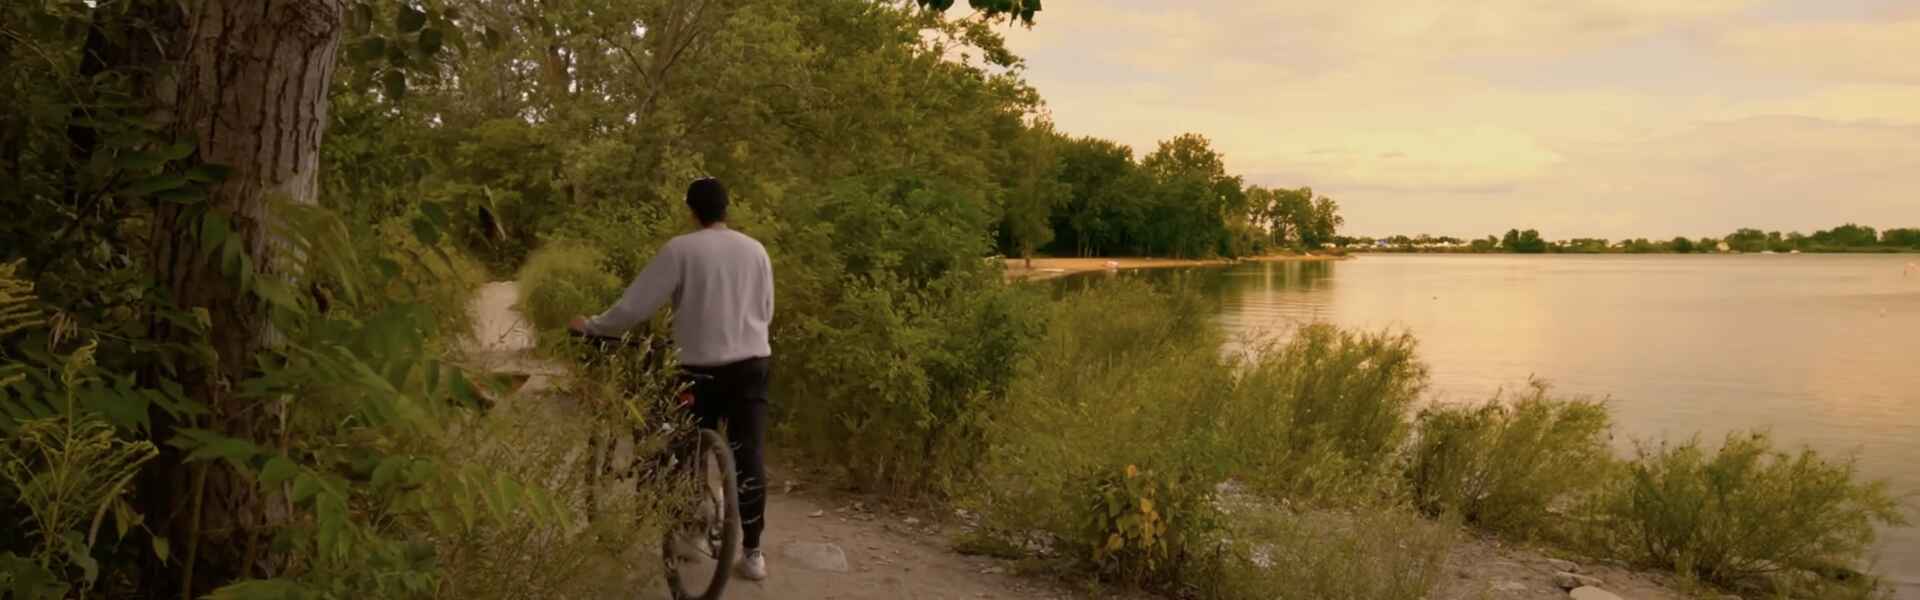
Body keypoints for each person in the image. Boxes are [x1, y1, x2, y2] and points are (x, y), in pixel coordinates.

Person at [568, 177, 773, 581]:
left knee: (680, 445)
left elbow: (635, 307)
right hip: (753, 364)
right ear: (727, 208)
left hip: (697, 369)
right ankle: (753, 554)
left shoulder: (680, 249)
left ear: (691, 210)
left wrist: (592, 326)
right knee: (748, 453)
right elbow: (765, 310)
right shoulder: (756, 250)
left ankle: (689, 533)